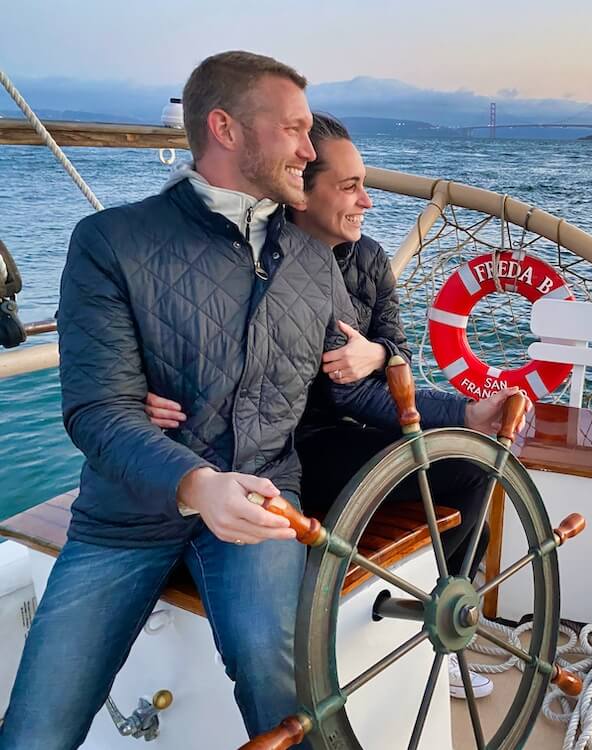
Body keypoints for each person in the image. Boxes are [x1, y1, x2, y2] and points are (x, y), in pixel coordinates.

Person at [0, 51, 411, 749]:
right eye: (294, 130)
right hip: (125, 516)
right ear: (224, 128)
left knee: (285, 690)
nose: (309, 152)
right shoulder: (111, 242)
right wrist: (194, 483)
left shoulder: (311, 259)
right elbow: (98, 411)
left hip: (261, 496)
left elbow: (356, 380)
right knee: (39, 723)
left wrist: (459, 411)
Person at [146, 114, 521, 700]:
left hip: (346, 432)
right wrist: (465, 412)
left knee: (473, 465)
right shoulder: (265, 264)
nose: (367, 201)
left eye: (363, 183)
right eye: (349, 186)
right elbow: (342, 391)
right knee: (462, 452)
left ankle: (441, 610)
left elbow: (393, 351)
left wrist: (379, 352)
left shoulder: (367, 260)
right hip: (291, 448)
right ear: (299, 191)